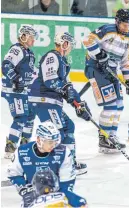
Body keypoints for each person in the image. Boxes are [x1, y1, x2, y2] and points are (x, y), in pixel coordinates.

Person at [28, 32, 91, 175]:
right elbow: (50, 80)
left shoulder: (63, 62)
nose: (70, 48)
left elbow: (68, 87)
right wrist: (65, 90)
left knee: (69, 126)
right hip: (43, 100)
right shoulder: (52, 56)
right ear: (65, 43)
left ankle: (68, 162)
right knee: (56, 133)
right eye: (70, 45)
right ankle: (48, 165)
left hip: (50, 101)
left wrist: (79, 104)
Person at [82, 9, 129, 153]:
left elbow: (126, 63)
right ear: (117, 22)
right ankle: (103, 138)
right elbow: (87, 40)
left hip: (111, 71)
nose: (127, 28)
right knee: (111, 105)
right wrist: (99, 54)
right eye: (124, 24)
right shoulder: (107, 30)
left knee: (119, 105)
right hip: (95, 68)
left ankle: (111, 136)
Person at [8, 121, 87, 208]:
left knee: (81, 203)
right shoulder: (22, 152)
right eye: (50, 142)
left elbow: (67, 180)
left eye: (55, 141)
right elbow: (14, 174)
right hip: (33, 194)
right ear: (39, 140)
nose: (53, 145)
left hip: (57, 193)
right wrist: (25, 190)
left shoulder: (63, 152)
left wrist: (65, 197)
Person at [1, 25, 38, 159]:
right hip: (14, 90)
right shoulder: (17, 49)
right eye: (31, 38)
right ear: (23, 36)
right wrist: (16, 79)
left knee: (30, 116)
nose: (33, 41)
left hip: (24, 91)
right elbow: (5, 65)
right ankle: (10, 146)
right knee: (21, 117)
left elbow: (32, 73)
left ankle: (25, 145)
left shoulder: (30, 53)